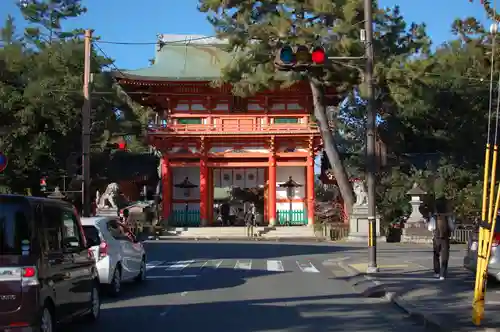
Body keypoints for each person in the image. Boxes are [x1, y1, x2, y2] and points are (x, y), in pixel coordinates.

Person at [427, 197, 456, 280]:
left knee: (436, 255)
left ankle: (436, 272)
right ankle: (443, 274)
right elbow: (452, 227)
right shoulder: (448, 217)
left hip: (436, 238)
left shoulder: (434, 217)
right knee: (445, 256)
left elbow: (430, 228)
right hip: (445, 238)